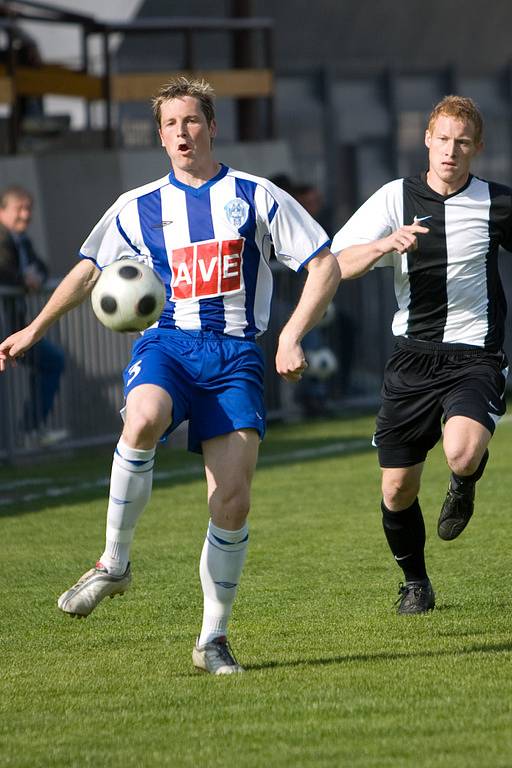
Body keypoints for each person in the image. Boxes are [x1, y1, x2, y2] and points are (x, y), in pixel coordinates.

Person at [0, 76, 340, 673]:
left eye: (190, 121)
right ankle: (114, 562)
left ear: (211, 126)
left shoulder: (255, 195)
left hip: (235, 355)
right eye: (169, 124)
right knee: (144, 418)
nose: (181, 132)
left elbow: (324, 262)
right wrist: (35, 329)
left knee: (230, 503)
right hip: (169, 345)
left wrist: (290, 335)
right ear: (159, 137)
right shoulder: (137, 206)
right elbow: (86, 271)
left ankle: (212, 639)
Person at [331, 95, 510, 614]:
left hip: (474, 356)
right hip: (412, 359)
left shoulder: (497, 203)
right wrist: (386, 244)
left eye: (462, 142)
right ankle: (415, 582)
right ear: (427, 141)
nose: (451, 150)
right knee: (396, 491)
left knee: (461, 450)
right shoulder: (395, 197)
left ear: (476, 148)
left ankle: (464, 479)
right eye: (442, 139)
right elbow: (337, 264)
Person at [0, 185, 66, 445]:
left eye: (29, 209)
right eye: (19, 209)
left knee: (52, 361)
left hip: (13, 326)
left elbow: (42, 268)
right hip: (6, 323)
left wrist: (34, 277)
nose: (25, 215)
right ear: (2, 211)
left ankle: (30, 430)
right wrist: (21, 279)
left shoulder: (22, 239)